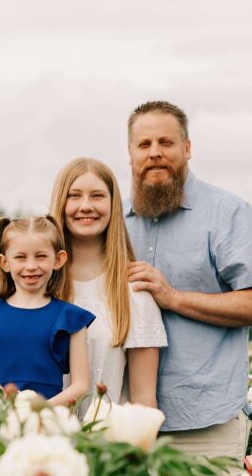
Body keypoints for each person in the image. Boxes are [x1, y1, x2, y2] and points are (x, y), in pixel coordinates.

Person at [123, 100, 252, 463]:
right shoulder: (112, 216)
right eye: (144, 145)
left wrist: (173, 297)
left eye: (167, 143)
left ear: (188, 148)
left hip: (206, 421)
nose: (155, 153)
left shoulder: (227, 213)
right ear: (130, 153)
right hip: (126, 421)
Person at [49, 158, 167, 418]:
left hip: (108, 449)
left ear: (113, 205)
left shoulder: (134, 292)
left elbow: (144, 400)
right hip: (42, 446)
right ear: (60, 202)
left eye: (98, 196)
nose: (86, 206)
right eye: (74, 195)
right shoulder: (35, 284)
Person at [0, 216, 94, 407]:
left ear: (58, 259)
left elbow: (80, 386)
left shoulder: (71, 318)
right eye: (20, 257)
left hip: (49, 423)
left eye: (40, 256)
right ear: (4, 262)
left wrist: (39, 411)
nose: (31, 266)